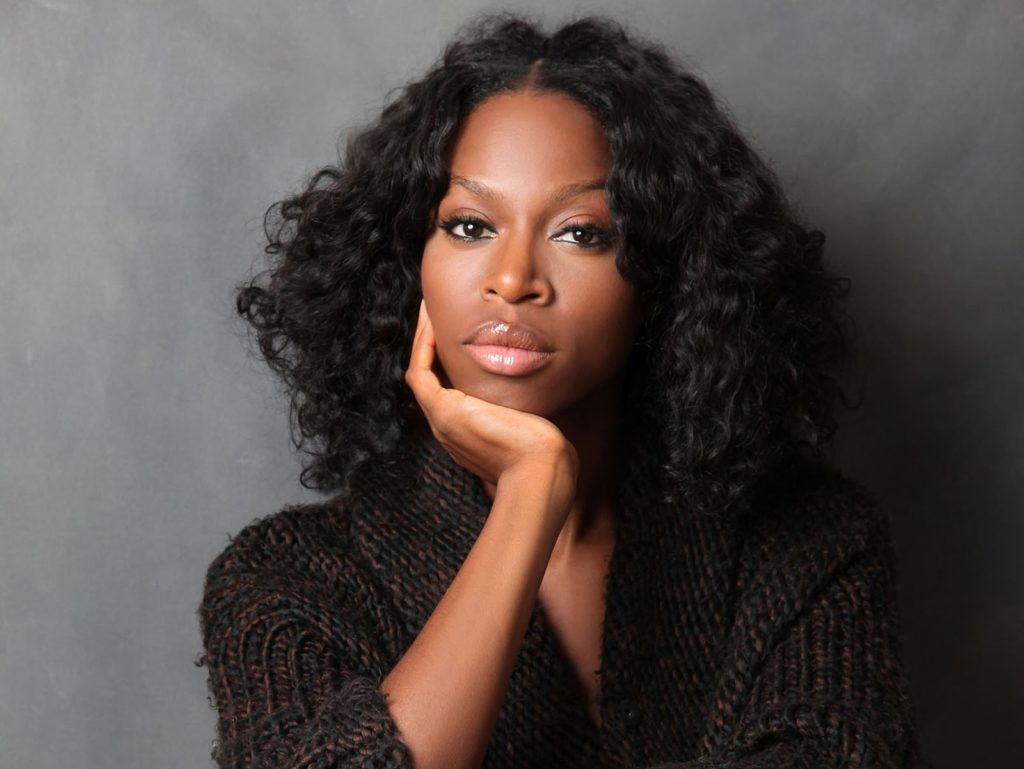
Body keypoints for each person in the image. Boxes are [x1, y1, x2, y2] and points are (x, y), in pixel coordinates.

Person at [197, 12, 929, 769]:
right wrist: (529, 495)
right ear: (407, 262)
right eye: (470, 225)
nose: (513, 279)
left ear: (666, 277)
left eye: (582, 233)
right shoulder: (287, 578)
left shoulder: (809, 542)